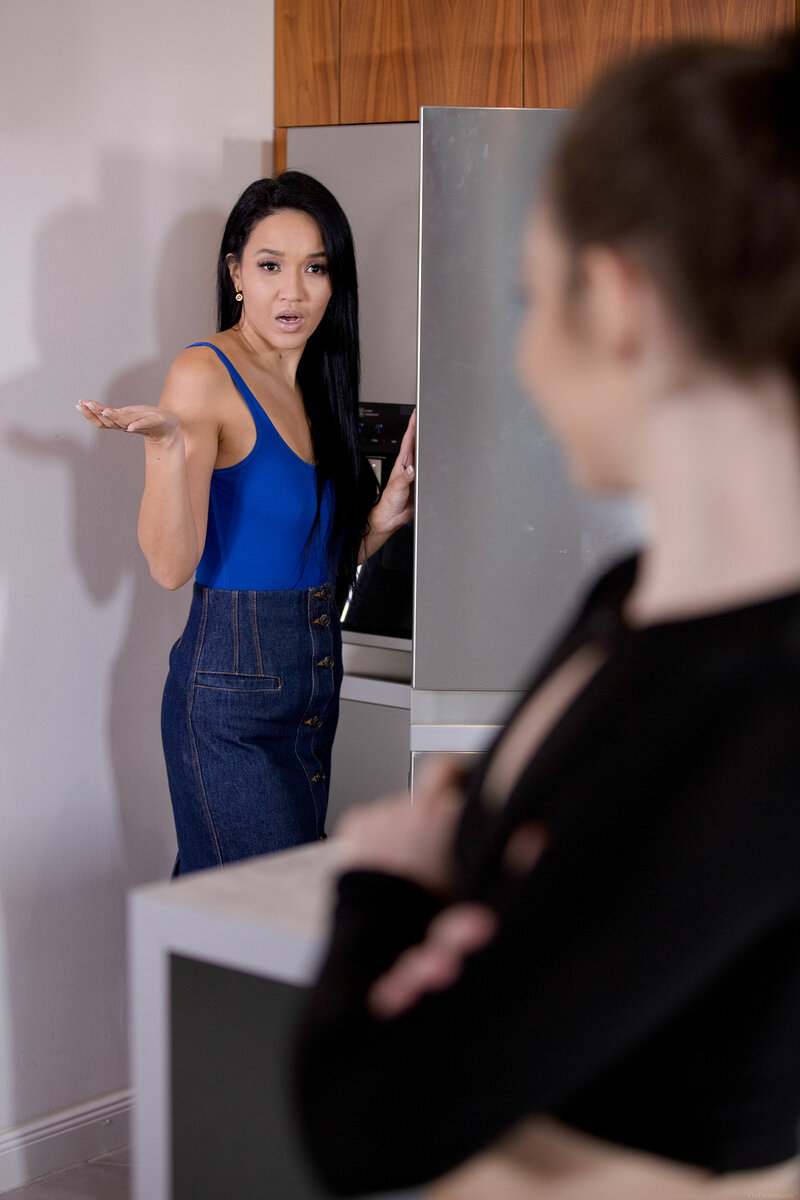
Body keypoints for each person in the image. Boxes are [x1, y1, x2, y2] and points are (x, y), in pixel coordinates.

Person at [292, 35, 800, 1198]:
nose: (522, 352)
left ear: (617, 303)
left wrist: (385, 884)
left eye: (530, 296)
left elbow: (362, 1120)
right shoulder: (630, 600)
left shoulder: (746, 710)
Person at [78, 172, 415, 874]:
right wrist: (167, 447)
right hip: (230, 702)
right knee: (271, 909)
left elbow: (304, 557)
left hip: (313, 689)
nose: (293, 292)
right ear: (235, 273)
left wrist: (381, 520)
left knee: (235, 908)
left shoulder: (317, 381)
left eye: (314, 268)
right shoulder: (204, 373)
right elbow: (170, 567)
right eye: (269, 266)